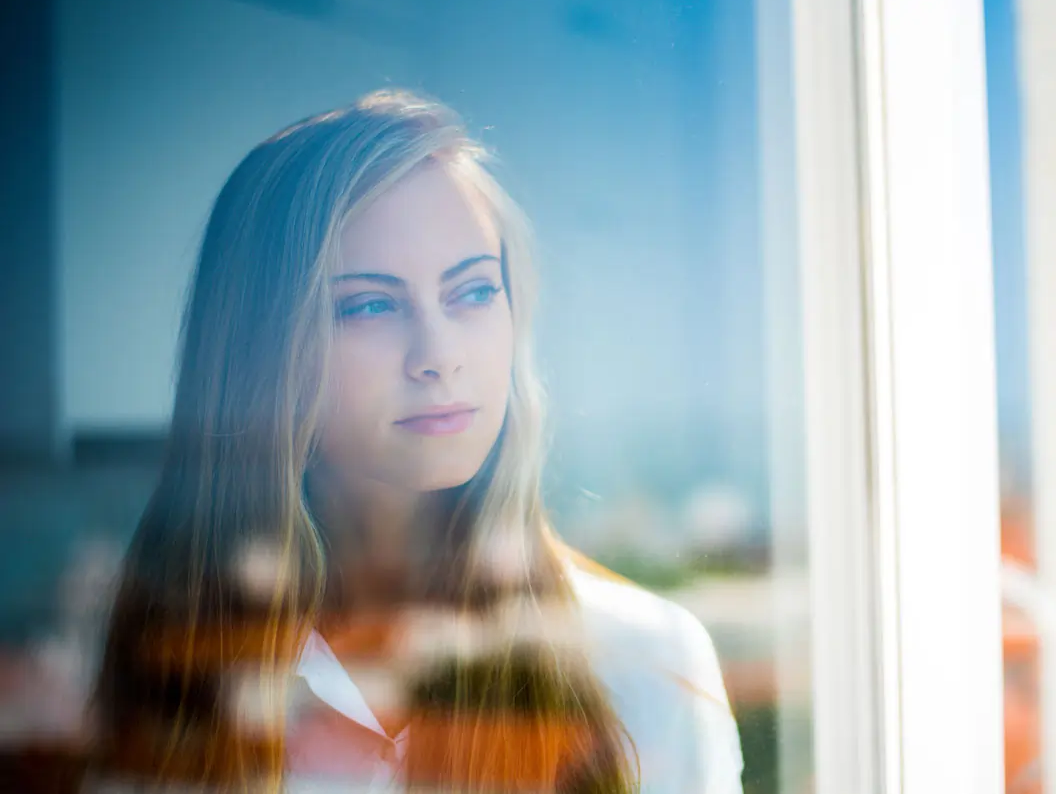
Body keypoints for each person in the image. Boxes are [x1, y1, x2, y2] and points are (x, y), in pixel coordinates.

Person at [84, 90, 743, 793]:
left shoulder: (645, 661)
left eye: (474, 292)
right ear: (261, 351)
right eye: (370, 304)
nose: (438, 354)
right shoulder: (165, 670)